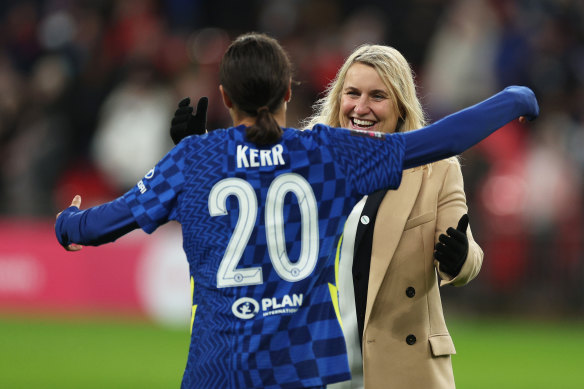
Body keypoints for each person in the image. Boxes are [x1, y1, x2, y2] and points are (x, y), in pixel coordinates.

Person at [56, 33, 538, 388]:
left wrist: (68, 224)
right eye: (354, 93)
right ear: (290, 92)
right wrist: (512, 100)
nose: (362, 106)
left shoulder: (195, 158)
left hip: (217, 369)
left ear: (225, 97)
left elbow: (107, 223)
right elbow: (437, 140)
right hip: (299, 367)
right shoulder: (327, 154)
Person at [303, 44, 497, 388]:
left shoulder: (436, 168)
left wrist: (460, 256)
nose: (361, 108)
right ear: (338, 99)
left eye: (378, 96)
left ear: (401, 106)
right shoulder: (305, 161)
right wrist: (193, 145)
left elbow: (469, 257)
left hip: (405, 371)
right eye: (353, 93)